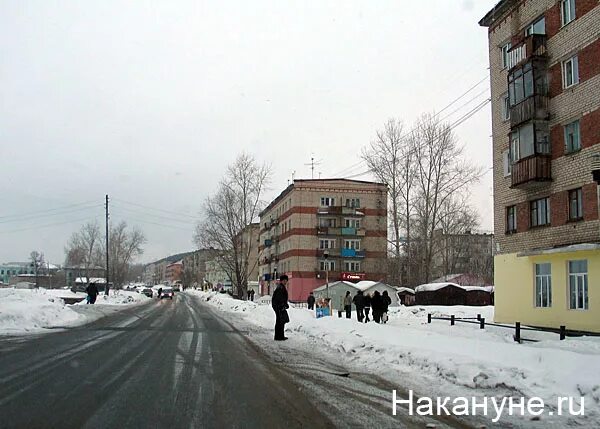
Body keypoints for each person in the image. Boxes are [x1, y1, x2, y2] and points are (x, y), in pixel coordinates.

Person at [271, 275, 290, 341]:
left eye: (286, 280)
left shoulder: (281, 287)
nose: (285, 282)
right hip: (278, 307)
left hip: (279, 306)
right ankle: (279, 337)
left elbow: (282, 298)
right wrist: (282, 305)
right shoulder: (280, 288)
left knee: (280, 321)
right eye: (284, 280)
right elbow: (279, 299)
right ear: (281, 281)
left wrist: (285, 304)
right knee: (280, 321)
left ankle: (279, 336)